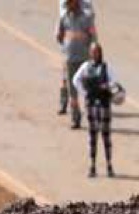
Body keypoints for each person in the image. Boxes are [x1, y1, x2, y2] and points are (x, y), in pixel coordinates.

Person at [72, 42, 116, 177]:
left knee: (106, 135)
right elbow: (75, 80)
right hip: (91, 104)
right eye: (93, 51)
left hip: (103, 103)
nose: (95, 54)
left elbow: (114, 82)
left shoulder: (106, 67)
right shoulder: (86, 66)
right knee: (92, 136)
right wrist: (84, 92)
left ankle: (109, 165)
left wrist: (106, 86)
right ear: (90, 53)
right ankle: (92, 166)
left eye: (97, 51)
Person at [55, 0, 97, 129]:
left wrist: (93, 48)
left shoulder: (86, 17)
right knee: (72, 89)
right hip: (69, 59)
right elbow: (59, 34)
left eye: (70, 2)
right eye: (67, 3)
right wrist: (64, 44)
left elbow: (93, 35)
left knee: (87, 87)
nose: (68, 5)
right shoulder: (64, 17)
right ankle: (75, 117)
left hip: (84, 58)